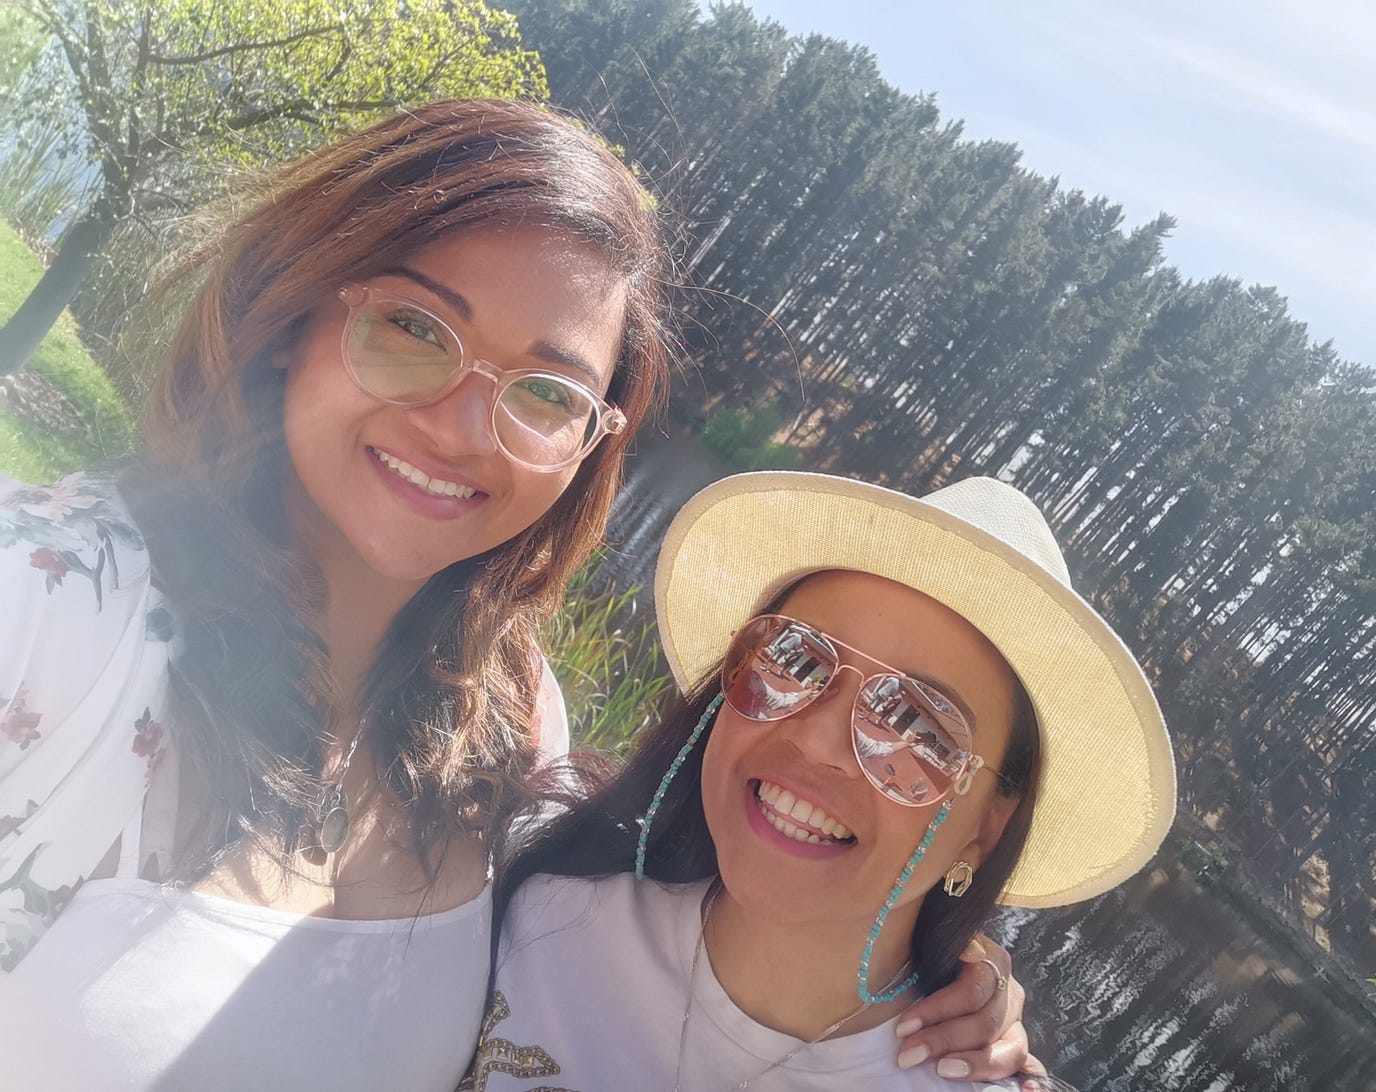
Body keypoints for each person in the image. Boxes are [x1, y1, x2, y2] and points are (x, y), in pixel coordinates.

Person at [0, 101, 1031, 1087]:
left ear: (588, 449)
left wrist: (928, 949)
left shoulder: (505, 716)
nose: (461, 429)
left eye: (546, 392)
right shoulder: (43, 612)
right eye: (415, 328)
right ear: (295, 311)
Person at [471, 470, 1176, 1090]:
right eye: (794, 659)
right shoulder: (527, 881)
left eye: (916, 727)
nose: (814, 740)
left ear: (985, 829)